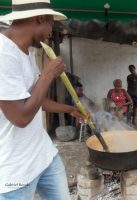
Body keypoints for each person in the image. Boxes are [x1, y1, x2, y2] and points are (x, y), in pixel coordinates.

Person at [0, 1, 85, 199]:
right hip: (15, 168)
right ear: (41, 19)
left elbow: (34, 99)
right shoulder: (3, 55)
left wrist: (69, 109)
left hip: (44, 155)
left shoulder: (26, 51)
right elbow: (20, 117)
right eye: (52, 25)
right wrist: (47, 75)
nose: (51, 32)